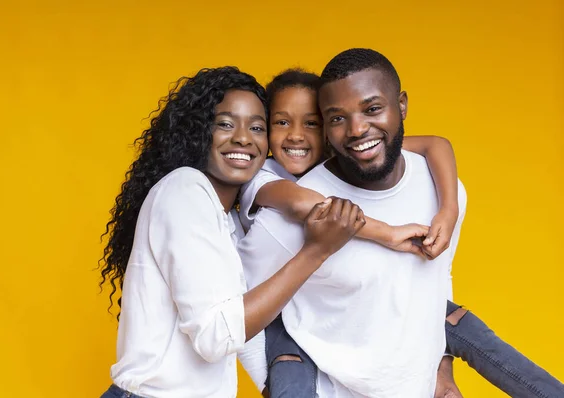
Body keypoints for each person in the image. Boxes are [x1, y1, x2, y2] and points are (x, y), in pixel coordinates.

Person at [237, 49, 564, 397]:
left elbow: (434, 274)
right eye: (337, 118)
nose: (358, 128)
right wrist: (275, 383)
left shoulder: (434, 186)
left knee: (465, 326)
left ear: (402, 105)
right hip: (315, 358)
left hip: (410, 367)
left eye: (372, 109)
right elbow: (236, 314)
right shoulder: (280, 205)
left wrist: (441, 368)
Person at [97, 66, 365, 398]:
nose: (242, 138)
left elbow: (236, 321)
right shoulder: (186, 190)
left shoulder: (228, 221)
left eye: (256, 127)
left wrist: (271, 386)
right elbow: (217, 336)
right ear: (197, 132)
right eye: (225, 124)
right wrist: (315, 251)